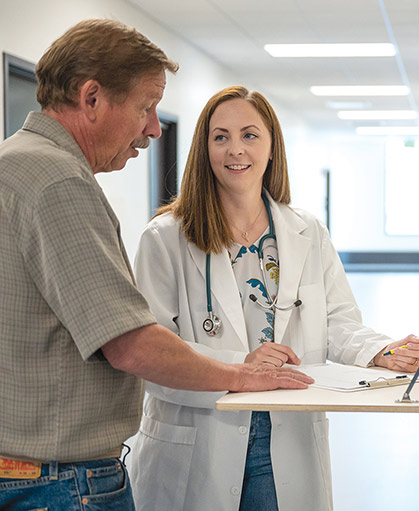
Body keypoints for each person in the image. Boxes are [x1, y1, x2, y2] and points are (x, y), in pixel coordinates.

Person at [0, 20, 312, 511]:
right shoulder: (59, 181)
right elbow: (130, 343)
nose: (153, 126)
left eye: (250, 135)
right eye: (146, 106)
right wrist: (243, 373)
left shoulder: (15, 162)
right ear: (92, 98)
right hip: (60, 483)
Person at [127, 86, 419, 511]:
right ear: (204, 148)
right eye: (221, 137)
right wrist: (239, 367)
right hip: (200, 436)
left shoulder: (306, 232)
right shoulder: (165, 238)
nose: (236, 150)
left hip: (285, 438)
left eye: (250, 135)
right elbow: (151, 354)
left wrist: (378, 349)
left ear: (272, 148)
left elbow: (338, 320)